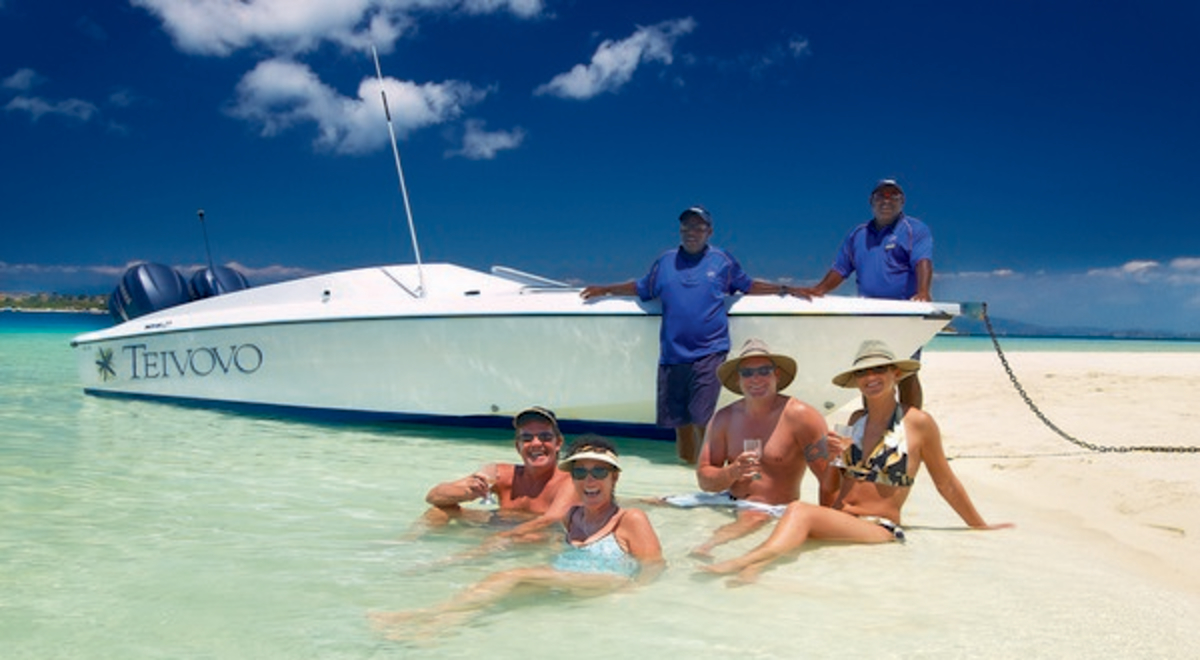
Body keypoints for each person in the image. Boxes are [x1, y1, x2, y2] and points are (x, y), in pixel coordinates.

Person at [700, 339, 1012, 585]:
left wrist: (979, 526)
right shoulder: (854, 420)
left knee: (796, 510)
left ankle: (744, 561)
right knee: (794, 519)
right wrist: (835, 461)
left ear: (896, 374)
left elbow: (946, 482)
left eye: (879, 370)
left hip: (879, 526)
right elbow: (833, 484)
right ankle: (756, 567)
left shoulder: (919, 423)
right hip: (842, 519)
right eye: (863, 372)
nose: (870, 377)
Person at [370, 435, 663, 640]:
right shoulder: (572, 516)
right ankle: (434, 630)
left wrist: (631, 595)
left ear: (615, 478)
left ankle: (419, 615)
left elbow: (654, 565)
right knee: (503, 596)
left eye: (599, 471)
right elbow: (550, 540)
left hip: (611, 582)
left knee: (511, 576)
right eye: (580, 472)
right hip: (571, 578)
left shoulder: (630, 518)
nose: (589, 480)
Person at [581, 206, 792, 464]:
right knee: (679, 424)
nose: (692, 232)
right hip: (672, 355)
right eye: (687, 227)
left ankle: (712, 472)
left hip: (709, 351)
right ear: (681, 231)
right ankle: (688, 472)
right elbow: (640, 287)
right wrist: (604, 289)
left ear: (709, 232)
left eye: (698, 227)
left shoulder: (722, 261)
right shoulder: (664, 262)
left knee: (703, 419)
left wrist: (785, 289)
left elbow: (747, 285)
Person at [656, 338, 836, 559]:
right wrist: (732, 472)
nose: (756, 379)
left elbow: (828, 479)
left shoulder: (801, 417)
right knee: (652, 502)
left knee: (753, 516)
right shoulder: (725, 418)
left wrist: (830, 525)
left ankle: (707, 547)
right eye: (747, 373)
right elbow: (705, 481)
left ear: (776, 375)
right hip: (728, 498)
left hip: (772, 507)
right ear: (738, 379)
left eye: (764, 371)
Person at [796, 179, 933, 408]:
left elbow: (923, 261)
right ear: (871, 202)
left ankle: (910, 422)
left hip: (905, 316)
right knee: (868, 371)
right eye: (880, 196)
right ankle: (873, 422)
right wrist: (818, 290)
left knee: (906, 372)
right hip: (869, 316)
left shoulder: (914, 229)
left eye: (893, 196)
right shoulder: (857, 234)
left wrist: (923, 293)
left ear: (902, 202)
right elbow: (840, 269)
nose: (886, 201)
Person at [421, 406, 577, 542]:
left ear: (558, 443)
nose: (536, 443)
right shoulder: (500, 473)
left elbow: (550, 521)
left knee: (533, 537)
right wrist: (468, 492)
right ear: (518, 446)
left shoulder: (570, 480)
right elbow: (433, 496)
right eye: (527, 438)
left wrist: (502, 538)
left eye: (545, 437)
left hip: (537, 537)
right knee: (438, 511)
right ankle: (405, 547)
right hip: (501, 528)